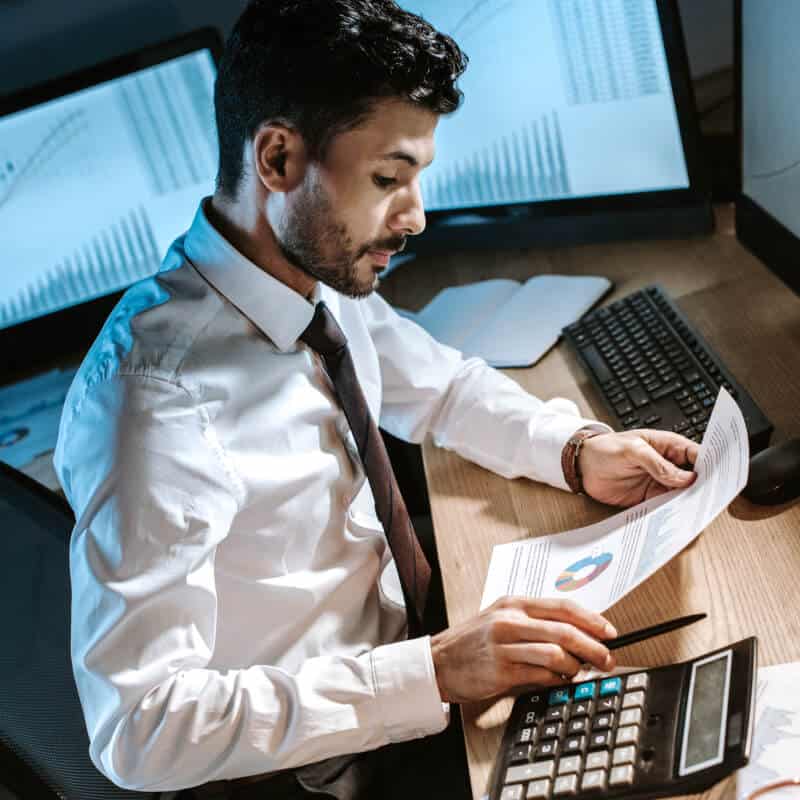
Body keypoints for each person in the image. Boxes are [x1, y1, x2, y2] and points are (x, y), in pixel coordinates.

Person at [54, 1, 700, 797]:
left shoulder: (318, 276)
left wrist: (573, 450)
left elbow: (440, 388)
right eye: (388, 179)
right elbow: (140, 729)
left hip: (416, 661)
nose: (416, 216)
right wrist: (429, 672)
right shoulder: (153, 405)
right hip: (336, 767)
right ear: (279, 159)